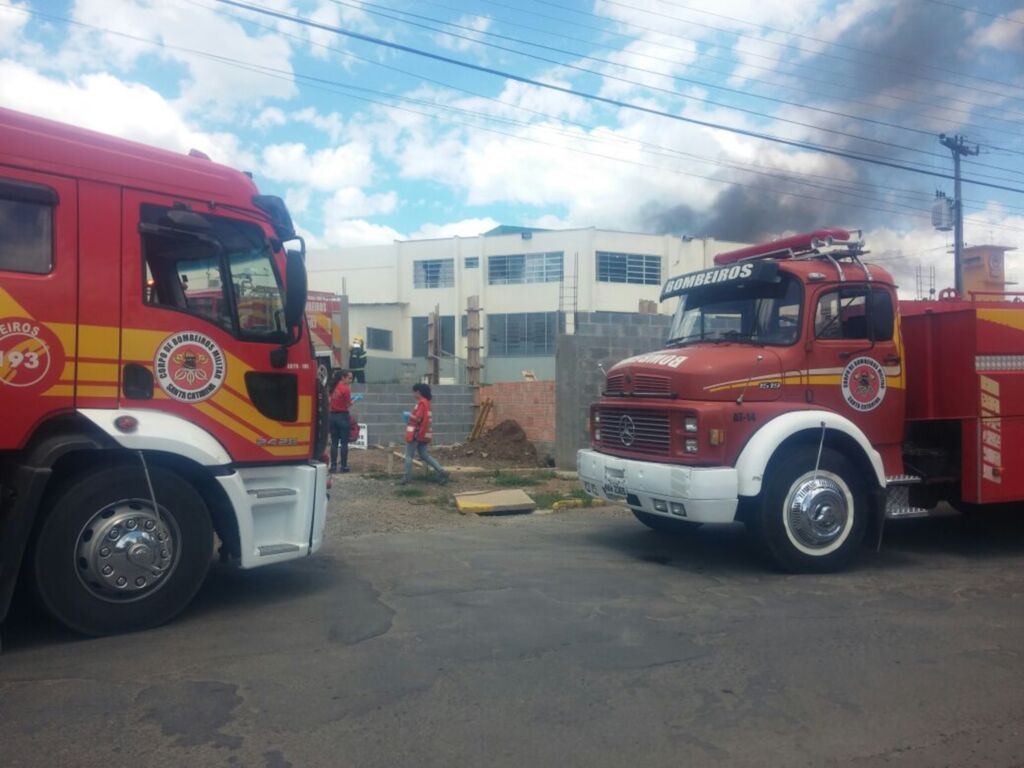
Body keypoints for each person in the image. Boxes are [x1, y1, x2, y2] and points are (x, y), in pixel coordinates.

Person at [400, 383, 449, 485]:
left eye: (414, 392)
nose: (413, 394)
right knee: (424, 455)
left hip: (416, 433)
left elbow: (418, 418)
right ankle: (441, 471)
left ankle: (407, 478)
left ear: (418, 392)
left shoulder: (421, 403)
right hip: (423, 434)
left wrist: (409, 415)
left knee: (409, 456)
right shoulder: (427, 403)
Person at [329, 369, 353, 474]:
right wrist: (354, 401)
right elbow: (348, 404)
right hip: (342, 416)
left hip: (332, 416)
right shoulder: (346, 389)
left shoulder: (333, 386)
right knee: (344, 443)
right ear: (343, 377)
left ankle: (333, 466)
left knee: (334, 443)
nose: (350, 380)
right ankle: (343, 466)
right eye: (349, 378)